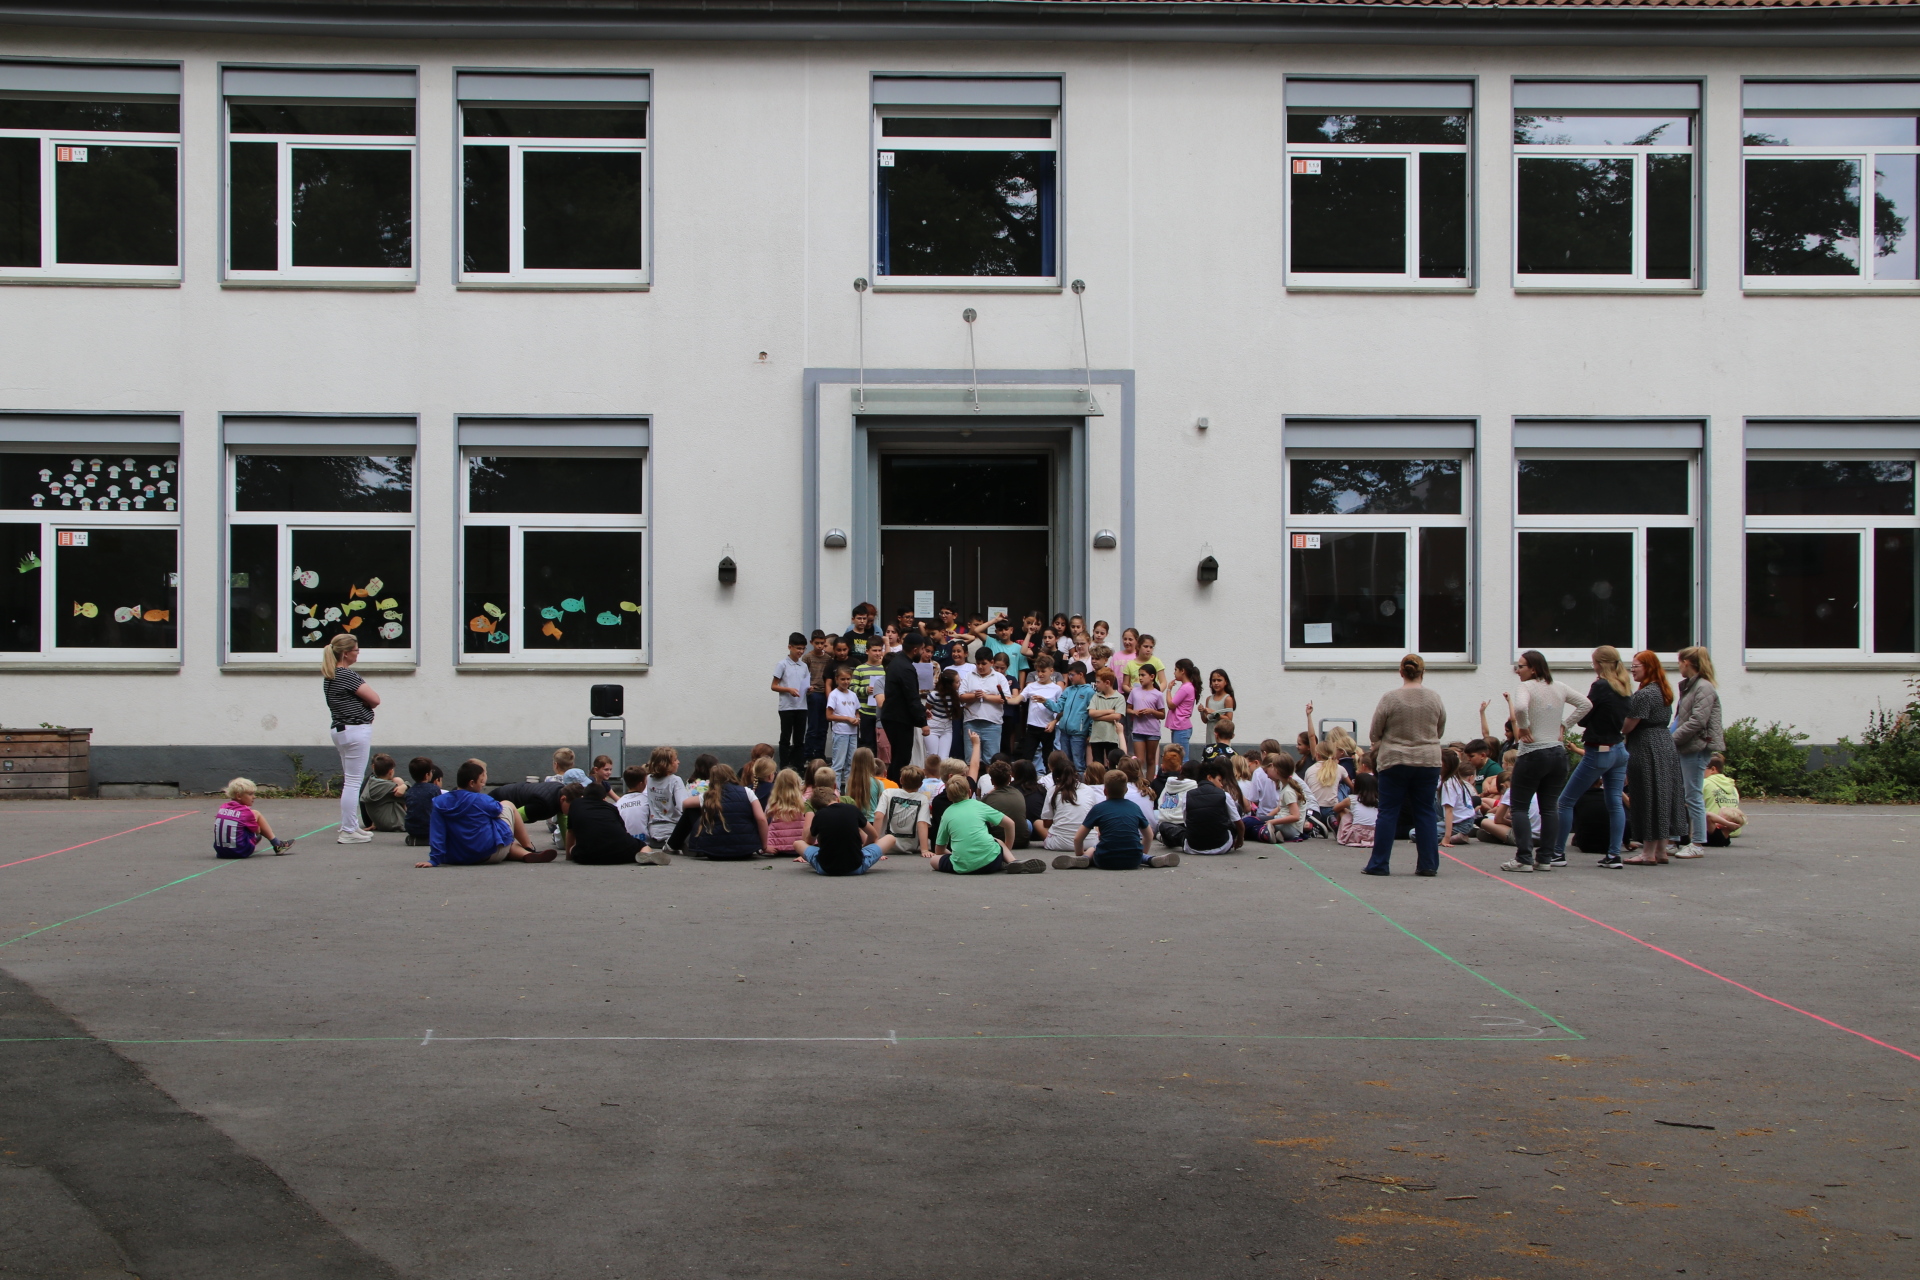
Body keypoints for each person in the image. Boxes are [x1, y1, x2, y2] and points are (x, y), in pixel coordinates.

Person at [1498, 650, 1591, 874]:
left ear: (1533, 669)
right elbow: (1585, 704)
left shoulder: (1526, 687)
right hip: (1557, 754)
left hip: (1533, 753)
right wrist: (1564, 725)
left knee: (1519, 806)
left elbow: (1520, 707)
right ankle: (1546, 857)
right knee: (1549, 807)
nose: (1517, 670)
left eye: (1521, 666)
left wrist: (1525, 727)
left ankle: (1524, 858)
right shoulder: (1559, 687)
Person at [1548, 645, 1633, 870]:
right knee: (1615, 803)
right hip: (1619, 750)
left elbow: (1586, 715)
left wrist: (1567, 724)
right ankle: (1614, 854)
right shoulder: (1624, 686)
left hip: (1598, 750)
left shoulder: (1600, 686)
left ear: (1599, 664)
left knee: (1565, 801)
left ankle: (1557, 853)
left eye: (1594, 661)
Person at [1362, 654, 1446, 877]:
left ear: (1401, 672)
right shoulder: (1434, 698)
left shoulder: (1390, 698)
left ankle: (1379, 864)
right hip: (1428, 760)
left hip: (1395, 759)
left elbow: (1374, 731)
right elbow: (1440, 729)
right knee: (1426, 811)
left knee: (1388, 811)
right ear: (1423, 672)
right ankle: (1428, 864)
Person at [1622, 651, 1690, 866]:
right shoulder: (1663, 691)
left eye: (1636, 666)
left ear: (1648, 667)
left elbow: (1628, 726)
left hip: (1645, 746)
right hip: (1664, 744)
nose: (1632, 670)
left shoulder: (1643, 695)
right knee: (1662, 795)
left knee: (1646, 796)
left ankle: (1647, 852)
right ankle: (1661, 850)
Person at [417, 759, 550, 866]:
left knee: (507, 843)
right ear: (472, 783)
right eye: (481, 782)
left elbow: (437, 832)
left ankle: (524, 854)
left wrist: (434, 859)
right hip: (486, 854)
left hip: (455, 856)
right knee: (507, 805)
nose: (483, 785)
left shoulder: (439, 802)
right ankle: (529, 847)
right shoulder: (482, 799)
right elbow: (497, 809)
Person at [1054, 772, 1181, 870]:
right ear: (1125, 791)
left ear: (1105, 791)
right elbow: (1149, 835)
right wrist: (1141, 852)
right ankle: (1148, 858)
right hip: (1133, 860)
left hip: (1106, 860)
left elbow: (1078, 838)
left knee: (1094, 848)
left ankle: (1084, 859)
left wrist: (1080, 854)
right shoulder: (1134, 807)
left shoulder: (1099, 808)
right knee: (1132, 848)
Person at [321, 633, 379, 845]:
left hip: (341, 730)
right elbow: (375, 699)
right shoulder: (347, 675)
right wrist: (366, 706)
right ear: (346, 653)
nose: (358, 653)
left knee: (350, 780)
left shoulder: (330, 676)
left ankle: (352, 825)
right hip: (356, 730)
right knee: (353, 782)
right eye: (356, 650)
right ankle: (348, 830)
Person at [929, 774, 1043, 874]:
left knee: (934, 860)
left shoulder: (947, 813)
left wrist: (956, 856)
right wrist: (1006, 849)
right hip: (992, 861)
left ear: (948, 796)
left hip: (963, 865)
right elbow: (1010, 824)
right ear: (969, 792)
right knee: (997, 841)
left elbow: (939, 850)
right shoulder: (978, 805)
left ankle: (964, 859)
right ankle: (1011, 860)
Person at [1672, 646, 1724, 860]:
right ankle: (1680, 839)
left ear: (1687, 662)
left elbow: (1697, 720)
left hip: (1694, 747)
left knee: (1693, 794)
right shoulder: (1692, 687)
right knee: (1685, 793)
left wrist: (1671, 739)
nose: (1678, 666)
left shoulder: (1703, 688)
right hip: (1687, 746)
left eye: (1679, 662)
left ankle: (1698, 842)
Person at [796, 771, 896, 875]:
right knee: (890, 838)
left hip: (826, 868)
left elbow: (809, 841)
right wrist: (863, 848)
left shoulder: (819, 815)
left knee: (798, 843)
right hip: (856, 866)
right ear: (838, 799)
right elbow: (873, 835)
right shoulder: (852, 809)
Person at [561, 782, 670, 865]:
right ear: (604, 798)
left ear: (583, 796)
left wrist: (568, 856)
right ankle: (646, 854)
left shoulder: (575, 805)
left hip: (587, 857)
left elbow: (570, 832)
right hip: (619, 854)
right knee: (642, 845)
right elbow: (623, 830)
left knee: (573, 848)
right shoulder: (611, 807)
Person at [685, 763, 768, 861]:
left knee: (692, 809)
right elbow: (761, 819)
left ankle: (687, 844)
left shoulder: (708, 796)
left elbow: (685, 803)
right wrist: (764, 846)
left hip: (713, 852)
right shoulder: (747, 791)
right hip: (745, 850)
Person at [879, 631, 929, 782]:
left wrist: (923, 711)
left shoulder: (896, 662)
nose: (922, 652)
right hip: (899, 719)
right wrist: (923, 723)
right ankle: (896, 789)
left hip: (893, 717)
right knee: (902, 759)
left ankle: (893, 788)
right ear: (915, 650)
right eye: (921, 649)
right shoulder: (906, 668)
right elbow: (912, 698)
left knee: (897, 757)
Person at [214, 777, 295, 858]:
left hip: (221, 852)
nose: (254, 797)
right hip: (241, 851)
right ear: (238, 796)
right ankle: (277, 844)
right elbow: (257, 831)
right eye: (250, 794)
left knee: (242, 823)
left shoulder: (222, 807)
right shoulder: (246, 812)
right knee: (256, 814)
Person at [1182, 758, 1244, 856]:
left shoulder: (1186, 796)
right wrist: (1240, 839)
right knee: (1237, 809)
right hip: (1222, 845)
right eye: (1219, 780)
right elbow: (1239, 824)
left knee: (1171, 828)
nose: (1221, 784)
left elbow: (1187, 822)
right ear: (1210, 778)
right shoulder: (1224, 795)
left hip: (1194, 847)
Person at [958, 647, 1011, 761]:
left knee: (992, 760)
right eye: (978, 663)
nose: (980, 667)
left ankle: (989, 779)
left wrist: (986, 696)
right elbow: (961, 696)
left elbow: (1005, 698)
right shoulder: (969, 675)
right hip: (971, 722)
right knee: (971, 759)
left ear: (991, 662)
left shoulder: (1000, 677)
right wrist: (974, 696)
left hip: (992, 723)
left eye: (984, 663)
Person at [770, 631, 812, 772]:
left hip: (801, 706)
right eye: (798, 648)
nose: (800, 651)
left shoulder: (804, 666)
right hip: (786, 707)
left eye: (803, 649)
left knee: (800, 739)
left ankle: (798, 767)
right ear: (790, 647)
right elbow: (774, 686)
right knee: (785, 738)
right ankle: (784, 766)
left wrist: (809, 689)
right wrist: (789, 690)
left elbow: (805, 683)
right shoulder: (782, 664)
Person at [1045, 661, 1095, 772]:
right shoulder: (1068, 690)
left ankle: (1080, 786)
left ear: (1081, 674)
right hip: (1064, 732)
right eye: (1069, 674)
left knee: (1078, 763)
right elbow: (1058, 708)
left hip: (1079, 733)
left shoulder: (1089, 692)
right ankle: (1067, 785)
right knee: (1065, 762)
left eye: (1072, 675)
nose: (1070, 677)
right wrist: (1045, 701)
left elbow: (1092, 715)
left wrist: (1090, 733)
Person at [874, 765, 933, 857]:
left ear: (901, 780)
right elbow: (922, 823)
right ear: (921, 785)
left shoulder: (888, 793)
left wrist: (876, 846)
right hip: (909, 846)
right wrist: (924, 849)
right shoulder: (923, 799)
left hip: (886, 845)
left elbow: (878, 816)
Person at [1019, 654, 1062, 770]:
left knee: (1048, 756)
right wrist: (1006, 699)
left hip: (1047, 727)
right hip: (1032, 726)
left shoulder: (1057, 689)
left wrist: (1054, 722)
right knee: (1027, 756)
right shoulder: (1031, 686)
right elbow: (1018, 699)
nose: (1040, 674)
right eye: (1038, 671)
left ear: (1051, 671)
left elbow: (1061, 709)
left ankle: (1050, 779)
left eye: (1043, 671)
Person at [1128, 660, 1167, 780]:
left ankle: (1150, 783)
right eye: (1139, 675)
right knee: (1139, 760)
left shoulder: (1157, 694)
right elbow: (1128, 708)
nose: (1140, 678)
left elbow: (1162, 714)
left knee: (1151, 759)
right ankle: (1140, 783)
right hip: (1138, 730)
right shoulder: (1134, 692)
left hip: (1152, 731)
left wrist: (1151, 711)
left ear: (1152, 677)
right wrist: (1134, 712)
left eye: (1143, 675)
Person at [802, 629, 837, 763]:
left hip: (825, 693)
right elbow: (803, 675)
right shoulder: (807, 657)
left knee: (823, 727)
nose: (820, 646)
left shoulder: (828, 658)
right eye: (817, 643)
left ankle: (819, 754)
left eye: (822, 643)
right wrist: (807, 688)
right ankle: (808, 754)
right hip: (814, 693)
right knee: (813, 726)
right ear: (811, 642)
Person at [761, 768, 811, 855]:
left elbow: (765, 821)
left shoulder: (772, 804)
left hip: (776, 846)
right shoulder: (804, 803)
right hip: (799, 846)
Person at [826, 665, 861, 787]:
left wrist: (857, 718)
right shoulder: (834, 695)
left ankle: (849, 792)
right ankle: (836, 792)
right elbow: (829, 716)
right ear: (837, 679)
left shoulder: (853, 694)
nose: (846, 682)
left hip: (853, 733)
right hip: (841, 733)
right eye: (842, 679)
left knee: (851, 764)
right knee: (838, 764)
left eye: (848, 679)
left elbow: (856, 710)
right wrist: (847, 718)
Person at [851, 638, 886, 755]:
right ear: (867, 651)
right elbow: (851, 688)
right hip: (865, 712)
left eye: (879, 650)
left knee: (881, 745)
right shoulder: (860, 669)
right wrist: (865, 690)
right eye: (874, 650)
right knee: (867, 744)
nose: (877, 653)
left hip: (882, 713)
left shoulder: (885, 669)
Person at [1086, 667, 1126, 767]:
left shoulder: (1119, 698)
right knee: (1097, 764)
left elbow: (1117, 716)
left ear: (1107, 683)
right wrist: (1109, 711)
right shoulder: (1096, 696)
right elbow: (1091, 713)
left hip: (1111, 737)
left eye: (1098, 682)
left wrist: (1097, 716)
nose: (1096, 684)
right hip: (1096, 737)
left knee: (1112, 764)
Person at [359, 753, 408, 832]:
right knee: (398, 781)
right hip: (396, 823)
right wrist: (405, 785)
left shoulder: (371, 781)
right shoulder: (388, 787)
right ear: (391, 771)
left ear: (373, 767)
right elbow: (411, 797)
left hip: (377, 822)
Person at [1154, 760, 1199, 848]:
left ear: (1181, 770)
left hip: (1163, 823)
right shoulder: (1194, 786)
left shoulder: (1169, 783)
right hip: (1182, 823)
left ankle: (1167, 837)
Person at [1703, 754, 1746, 843]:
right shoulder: (1732, 786)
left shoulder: (1705, 783)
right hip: (1734, 831)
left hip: (1713, 829)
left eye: (1703, 768)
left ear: (1713, 769)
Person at [1439, 749, 1480, 846]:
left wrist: (1446, 838)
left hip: (1460, 823)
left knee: (1416, 833)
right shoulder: (1451, 779)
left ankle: (1457, 837)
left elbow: (1449, 810)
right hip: (1464, 821)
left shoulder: (1449, 783)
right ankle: (1461, 833)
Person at [1332, 771, 1380, 849]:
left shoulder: (1353, 799)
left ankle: (1338, 831)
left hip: (1356, 834)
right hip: (1373, 835)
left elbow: (1335, 808)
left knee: (1342, 810)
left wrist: (1349, 812)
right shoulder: (1377, 801)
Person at [924, 665, 962, 762]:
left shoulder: (955, 696)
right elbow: (927, 709)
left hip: (947, 729)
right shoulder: (934, 695)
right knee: (932, 757)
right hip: (933, 728)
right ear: (949, 684)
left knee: (944, 758)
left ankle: (942, 777)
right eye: (957, 682)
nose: (959, 684)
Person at [1166, 659, 1201, 764]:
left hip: (1181, 727)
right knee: (1179, 757)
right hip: (1180, 726)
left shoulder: (1186, 688)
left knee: (1181, 759)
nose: (1174, 672)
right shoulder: (1187, 687)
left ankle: (1185, 778)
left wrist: (1168, 690)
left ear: (1183, 671)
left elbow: (1171, 705)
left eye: (1176, 669)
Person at [403, 757, 442, 847]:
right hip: (430, 828)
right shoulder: (434, 789)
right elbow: (439, 808)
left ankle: (415, 839)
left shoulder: (410, 791)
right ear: (427, 775)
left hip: (412, 829)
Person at [845, 746, 885, 819]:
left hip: (853, 821)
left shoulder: (849, 783)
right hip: (872, 823)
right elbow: (881, 808)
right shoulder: (878, 783)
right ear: (871, 763)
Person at [1200, 669, 1236, 747]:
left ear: (1225, 682)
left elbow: (1229, 719)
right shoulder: (1209, 699)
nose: (1216, 683)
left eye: (1219, 680)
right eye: (1214, 680)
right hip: (1210, 733)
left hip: (1222, 734)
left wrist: (1214, 713)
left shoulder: (1227, 699)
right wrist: (1202, 712)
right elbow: (1205, 720)